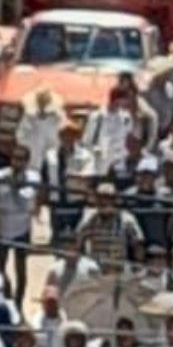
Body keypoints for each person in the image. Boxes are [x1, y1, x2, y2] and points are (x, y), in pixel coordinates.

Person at [0, 143, 40, 311]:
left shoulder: (33, 178)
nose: (18, 163)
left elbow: (28, 203)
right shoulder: (0, 175)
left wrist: (15, 187)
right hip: (3, 226)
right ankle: (7, 297)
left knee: (21, 269)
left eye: (22, 160)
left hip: (22, 228)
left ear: (27, 162)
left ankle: (18, 303)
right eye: (15, 159)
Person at [42, 118, 96, 247]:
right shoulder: (50, 155)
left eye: (71, 135)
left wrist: (73, 176)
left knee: (76, 235)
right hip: (56, 201)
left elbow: (89, 176)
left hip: (75, 201)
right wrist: (40, 201)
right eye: (64, 135)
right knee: (57, 235)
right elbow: (44, 179)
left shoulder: (85, 156)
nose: (68, 138)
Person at [77, 182, 146, 270]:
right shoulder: (89, 217)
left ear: (115, 200)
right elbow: (77, 242)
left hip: (118, 269)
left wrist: (138, 268)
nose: (104, 202)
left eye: (109, 198)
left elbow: (138, 245)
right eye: (100, 198)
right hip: (95, 270)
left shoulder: (126, 219)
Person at [126, 158, 173, 255]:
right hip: (136, 248)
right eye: (142, 174)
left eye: (148, 175)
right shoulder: (128, 196)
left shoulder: (165, 195)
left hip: (159, 246)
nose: (144, 178)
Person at [85, 87, 136, 175]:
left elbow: (129, 137)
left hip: (119, 162)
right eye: (125, 99)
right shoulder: (97, 117)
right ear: (117, 99)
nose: (127, 102)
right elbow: (88, 139)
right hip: (100, 162)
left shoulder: (126, 118)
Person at [18, 87, 64, 173]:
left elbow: (61, 128)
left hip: (50, 148)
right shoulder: (29, 117)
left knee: (52, 163)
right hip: (33, 149)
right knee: (33, 170)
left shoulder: (55, 116)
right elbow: (21, 135)